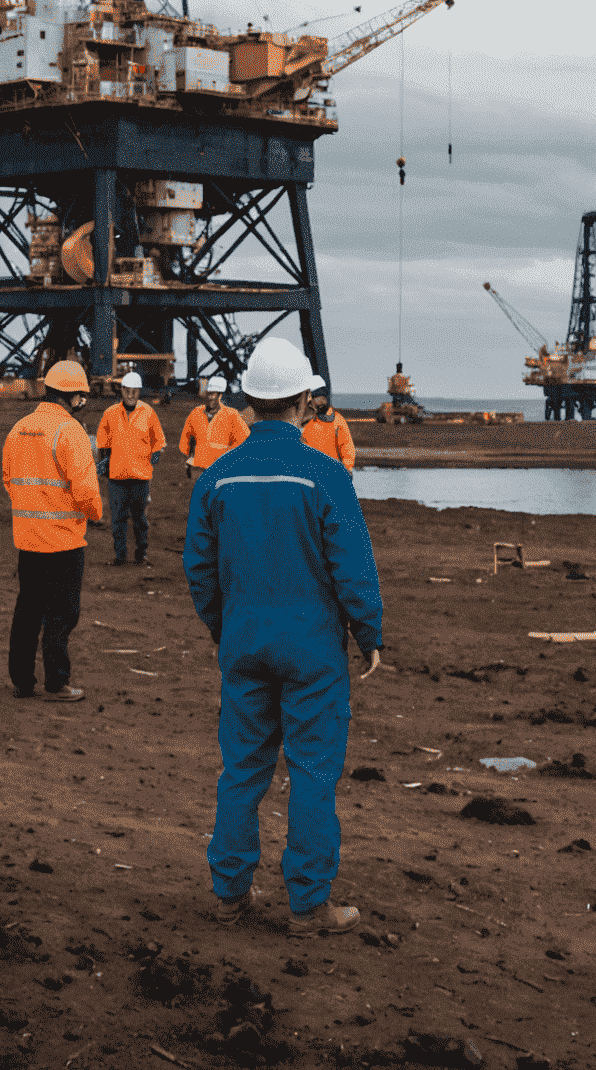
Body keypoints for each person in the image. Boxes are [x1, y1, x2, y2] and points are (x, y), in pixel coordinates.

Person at [182, 337, 383, 938]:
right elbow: (352, 563)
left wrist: (224, 628)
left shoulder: (217, 477)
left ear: (247, 401)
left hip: (244, 644)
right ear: (302, 402)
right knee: (314, 774)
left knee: (242, 771)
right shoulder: (323, 476)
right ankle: (308, 904)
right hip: (313, 650)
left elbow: (199, 566)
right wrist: (368, 631)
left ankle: (229, 896)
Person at [2, 361, 105, 702]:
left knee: (28, 608)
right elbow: (86, 491)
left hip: (28, 537)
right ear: (73, 396)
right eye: (82, 395)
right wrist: (94, 514)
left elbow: (8, 479)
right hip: (63, 540)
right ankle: (57, 682)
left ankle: (21, 680)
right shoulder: (70, 431)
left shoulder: (19, 428)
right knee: (62, 612)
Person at [96, 370, 165, 566]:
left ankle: (141, 555)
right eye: (128, 390)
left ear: (139, 392)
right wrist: (102, 462)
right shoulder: (110, 414)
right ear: (122, 391)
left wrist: (156, 452)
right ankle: (120, 556)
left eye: (135, 391)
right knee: (118, 519)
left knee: (140, 520)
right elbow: (102, 441)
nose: (131, 395)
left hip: (140, 476)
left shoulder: (149, 413)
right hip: (116, 476)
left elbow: (158, 438)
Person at [179, 373, 248, 479]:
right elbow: (187, 440)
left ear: (222, 396)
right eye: (210, 394)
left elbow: (242, 442)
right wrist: (189, 460)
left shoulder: (232, 415)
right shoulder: (196, 413)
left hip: (222, 471)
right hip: (199, 469)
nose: (212, 397)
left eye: (215, 394)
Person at [301, 385, 356, 473]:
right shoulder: (309, 422)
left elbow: (346, 447)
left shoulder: (338, 420)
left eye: (322, 400)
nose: (319, 403)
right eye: (316, 401)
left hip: (332, 471)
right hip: (312, 472)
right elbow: (303, 446)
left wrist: (348, 469)